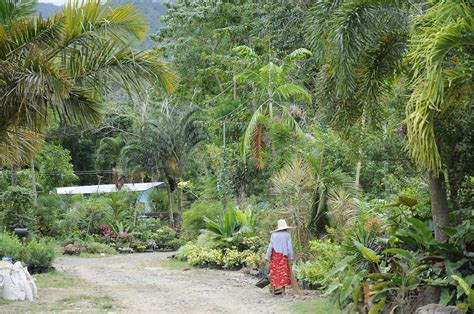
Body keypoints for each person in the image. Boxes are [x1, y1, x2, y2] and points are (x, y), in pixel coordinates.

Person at [265, 219, 294, 295]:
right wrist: (291, 257)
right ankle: (283, 292)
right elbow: (289, 247)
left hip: (275, 256)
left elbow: (270, 246)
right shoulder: (287, 235)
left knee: (274, 273)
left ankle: (273, 292)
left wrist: (267, 257)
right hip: (283, 256)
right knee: (283, 273)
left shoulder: (273, 235)